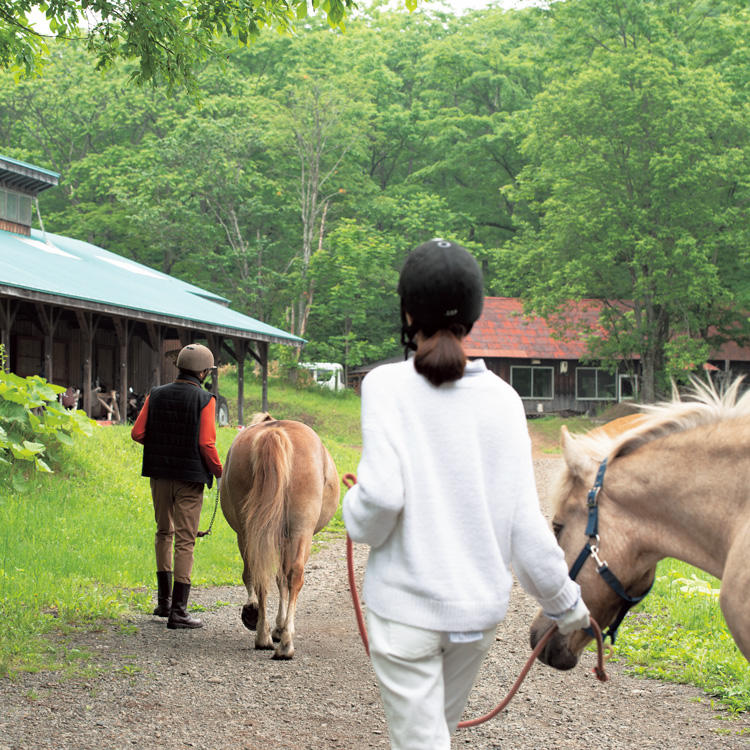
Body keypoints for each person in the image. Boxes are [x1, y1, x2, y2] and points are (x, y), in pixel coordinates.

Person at [342, 239, 590, 749]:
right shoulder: (504, 400)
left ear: (407, 312)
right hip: (475, 620)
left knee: (421, 743)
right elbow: (525, 528)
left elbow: (380, 502)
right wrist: (568, 606)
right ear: (474, 316)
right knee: (436, 737)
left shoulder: (385, 386)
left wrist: (353, 507)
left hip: (404, 616)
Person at [131, 343, 223, 629]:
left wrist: (161, 445)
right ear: (204, 371)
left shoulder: (155, 394)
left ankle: (163, 603)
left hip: (159, 475)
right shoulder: (205, 399)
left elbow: (138, 433)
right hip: (189, 478)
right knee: (186, 539)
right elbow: (206, 443)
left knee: (163, 531)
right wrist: (219, 471)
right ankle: (179, 613)